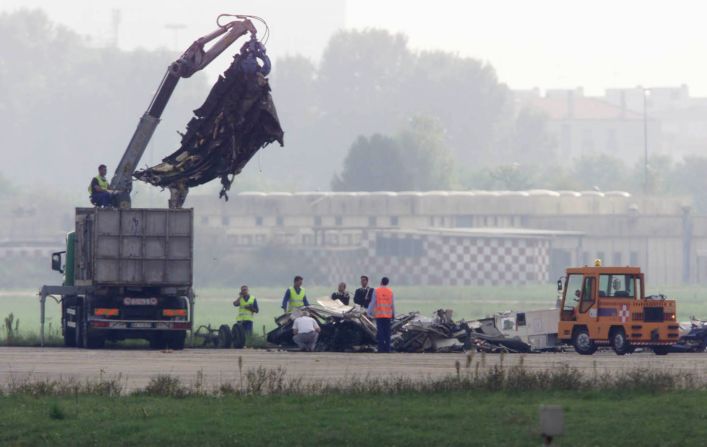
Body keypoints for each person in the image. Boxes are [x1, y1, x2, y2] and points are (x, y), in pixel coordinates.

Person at [367, 277, 395, 353]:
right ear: (387, 283)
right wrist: (393, 314)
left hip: (379, 315)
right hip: (388, 315)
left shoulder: (376, 290)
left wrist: (368, 312)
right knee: (387, 333)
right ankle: (388, 349)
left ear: (381, 282)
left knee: (380, 333)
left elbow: (373, 302)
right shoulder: (390, 291)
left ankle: (381, 349)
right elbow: (392, 304)